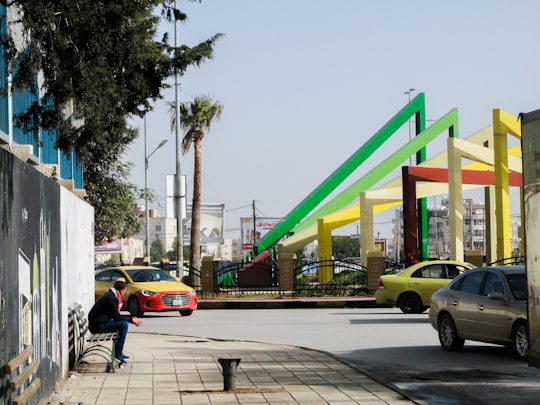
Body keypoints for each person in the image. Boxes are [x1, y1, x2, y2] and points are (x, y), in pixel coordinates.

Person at [88, 280, 143, 365]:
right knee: (123, 325)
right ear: (122, 290)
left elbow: (116, 315)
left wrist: (131, 319)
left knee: (122, 324)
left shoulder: (111, 296)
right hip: (97, 326)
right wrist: (131, 320)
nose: (125, 293)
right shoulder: (111, 298)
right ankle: (117, 354)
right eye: (125, 290)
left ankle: (119, 352)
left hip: (99, 323)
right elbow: (117, 317)